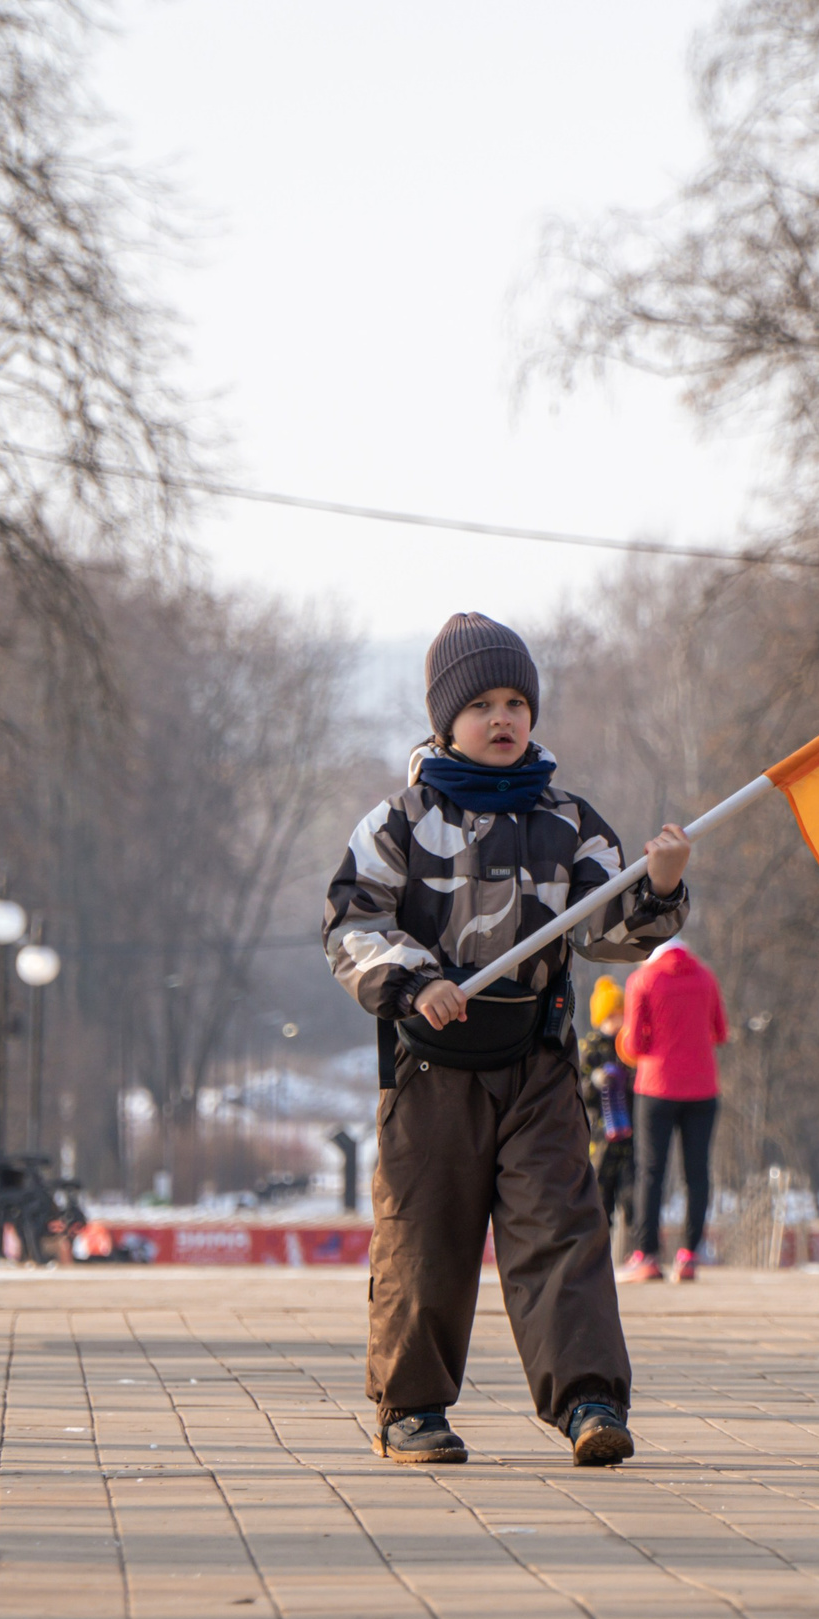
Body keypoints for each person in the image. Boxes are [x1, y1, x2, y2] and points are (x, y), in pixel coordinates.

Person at [324, 612, 690, 1467]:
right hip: (430, 1065)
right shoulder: (400, 822)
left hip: (536, 1064)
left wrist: (660, 889)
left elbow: (609, 929)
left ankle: (588, 1397)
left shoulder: (569, 823)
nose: (502, 718)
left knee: (562, 1225)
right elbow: (352, 922)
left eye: (517, 702)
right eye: (482, 703)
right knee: (424, 1236)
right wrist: (415, 981)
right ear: (444, 719)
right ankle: (411, 1408)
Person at [617, 937, 727, 1283]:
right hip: (702, 1087)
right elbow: (720, 1032)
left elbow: (634, 1045)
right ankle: (690, 1255)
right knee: (697, 1173)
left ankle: (646, 1255)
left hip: (656, 1088)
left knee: (650, 1171)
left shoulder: (643, 981)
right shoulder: (706, 977)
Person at [580, 977, 637, 1242]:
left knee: (632, 1193)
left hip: (630, 1134)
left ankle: (636, 1248)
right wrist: (595, 1082)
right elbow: (577, 1088)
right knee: (600, 1197)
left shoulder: (628, 1046)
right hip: (600, 1138)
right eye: (611, 1016)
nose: (617, 1023)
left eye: (620, 1016)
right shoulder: (589, 1047)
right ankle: (598, 1250)